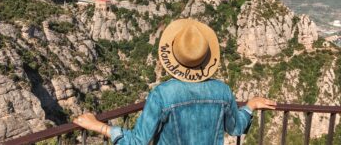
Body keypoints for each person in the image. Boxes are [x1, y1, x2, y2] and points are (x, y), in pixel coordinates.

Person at [74, 19, 276, 144]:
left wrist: (98, 126)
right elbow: (236, 128)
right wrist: (250, 106)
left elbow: (137, 141)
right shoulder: (222, 91)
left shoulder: (162, 95)